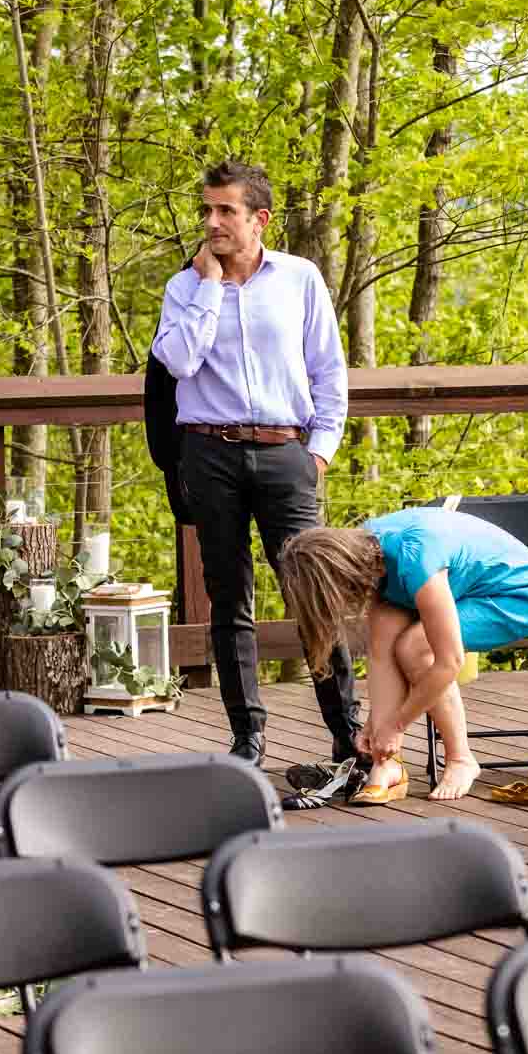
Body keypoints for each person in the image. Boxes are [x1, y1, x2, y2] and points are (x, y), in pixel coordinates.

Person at [149, 159, 360, 767]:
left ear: (258, 219)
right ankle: (248, 739)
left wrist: (318, 452)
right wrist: (209, 285)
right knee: (228, 598)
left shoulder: (300, 278)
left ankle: (347, 734)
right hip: (208, 453)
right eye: (207, 210)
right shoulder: (184, 288)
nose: (212, 222)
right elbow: (181, 362)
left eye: (225, 211)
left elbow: (328, 371)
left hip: (285, 453)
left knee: (312, 596)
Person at [278, 507, 528, 803]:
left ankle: (461, 759)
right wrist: (376, 727)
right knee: (384, 629)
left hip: (518, 594)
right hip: (462, 590)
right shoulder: (368, 554)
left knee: (415, 647)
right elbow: (380, 657)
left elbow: (449, 662)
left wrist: (395, 726)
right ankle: (387, 765)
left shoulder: (416, 559)